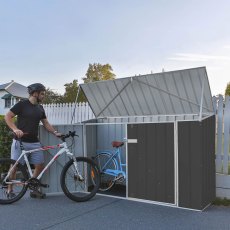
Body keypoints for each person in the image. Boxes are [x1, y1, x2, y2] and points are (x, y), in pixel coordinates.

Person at [4, 83, 61, 199]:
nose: (44, 96)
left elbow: (45, 123)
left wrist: (55, 132)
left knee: (39, 165)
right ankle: (10, 190)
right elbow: (8, 116)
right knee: (15, 166)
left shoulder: (40, 108)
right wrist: (15, 129)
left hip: (34, 142)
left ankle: (32, 186)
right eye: (42, 94)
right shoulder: (22, 104)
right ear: (35, 93)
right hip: (20, 141)